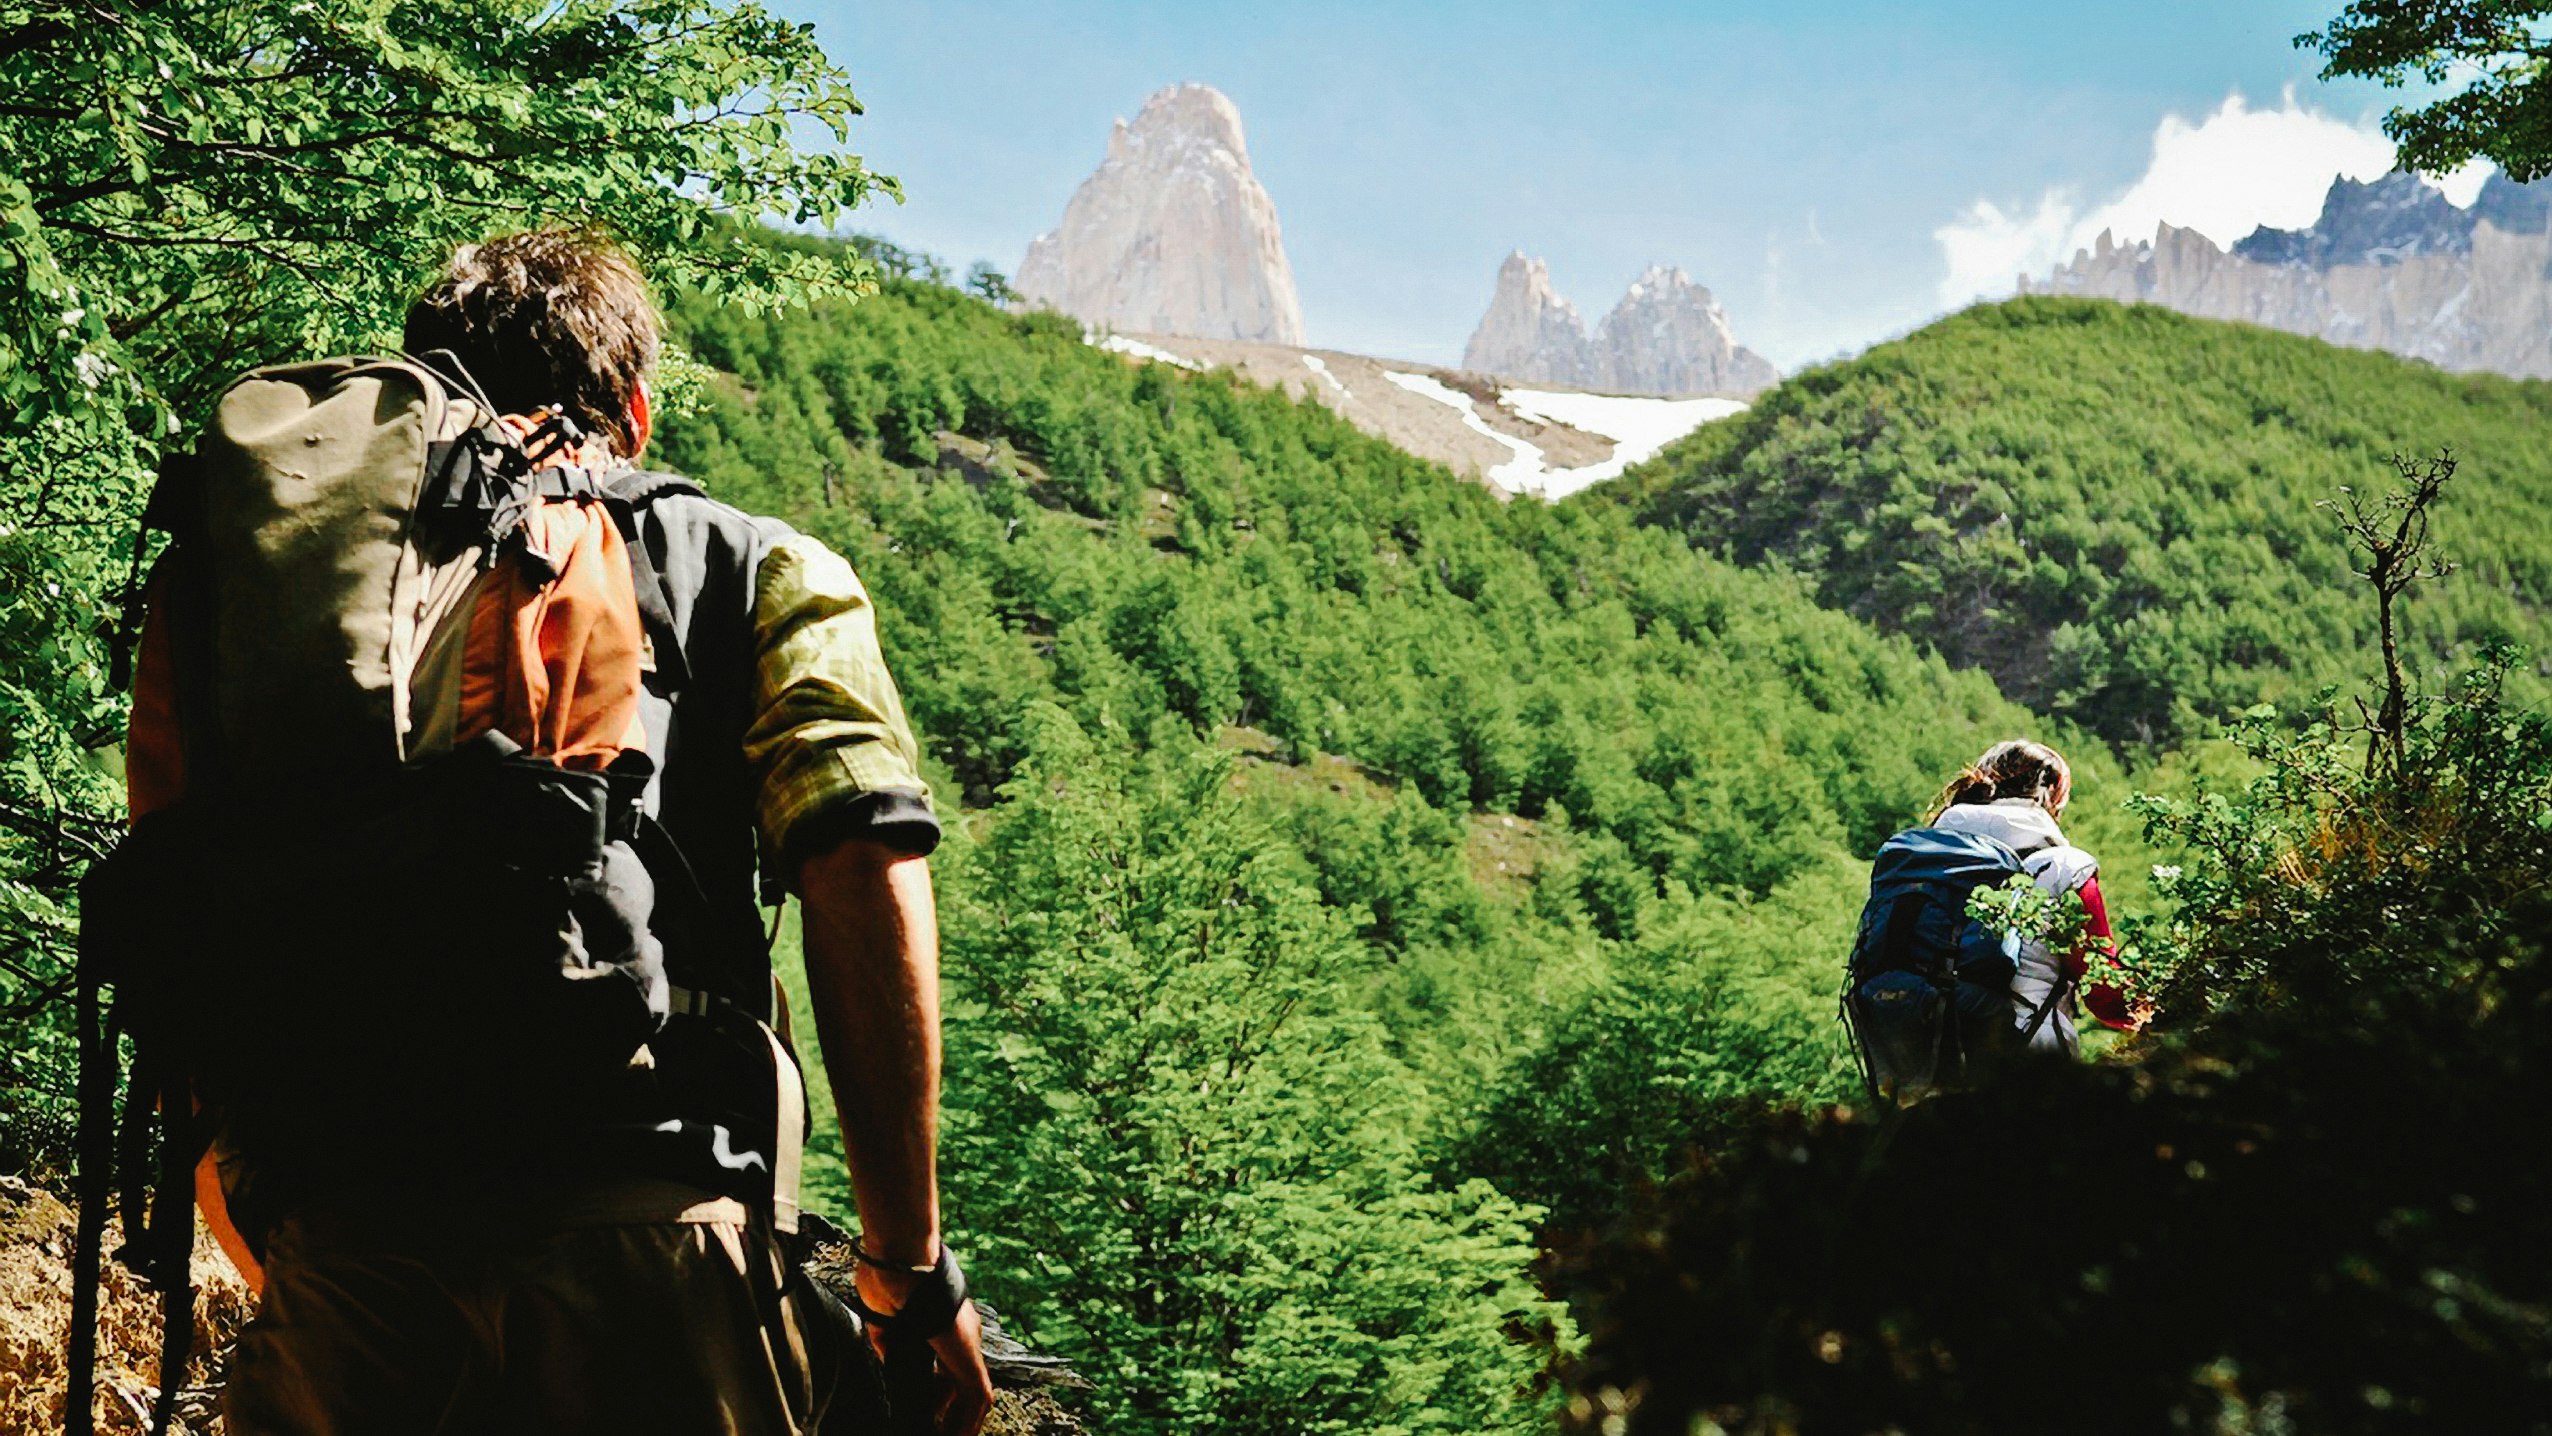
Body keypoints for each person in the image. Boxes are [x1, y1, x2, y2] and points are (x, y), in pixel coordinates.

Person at [119, 230, 994, 1435]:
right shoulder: (749, 561)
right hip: (646, 1240)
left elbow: (182, 899)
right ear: (631, 409)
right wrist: (906, 1261)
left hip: (339, 1252)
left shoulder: (281, 593)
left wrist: (285, 1235)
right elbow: (861, 857)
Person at [1925, 739, 2138, 1050]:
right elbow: (2106, 994)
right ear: (2053, 796)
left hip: (1924, 1054)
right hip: (2027, 1055)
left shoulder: (1928, 858)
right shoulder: (2065, 869)